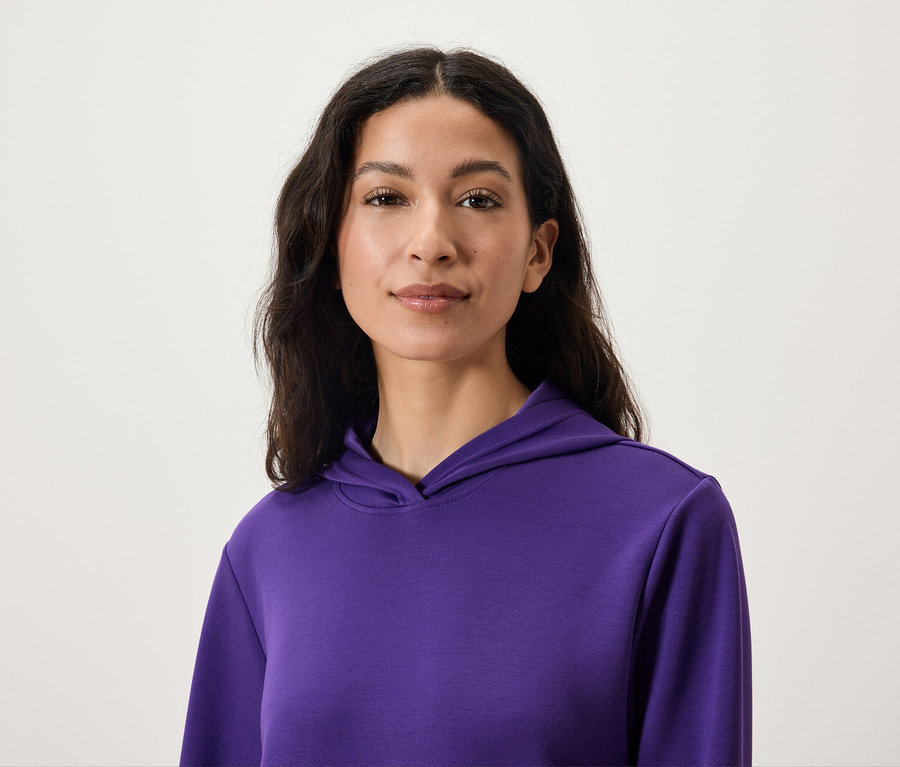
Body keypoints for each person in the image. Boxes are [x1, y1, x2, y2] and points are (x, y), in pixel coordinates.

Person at [180, 48, 751, 766]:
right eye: (387, 198)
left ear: (539, 252)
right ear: (332, 245)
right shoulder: (266, 550)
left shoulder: (663, 521)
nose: (432, 243)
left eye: (478, 199)